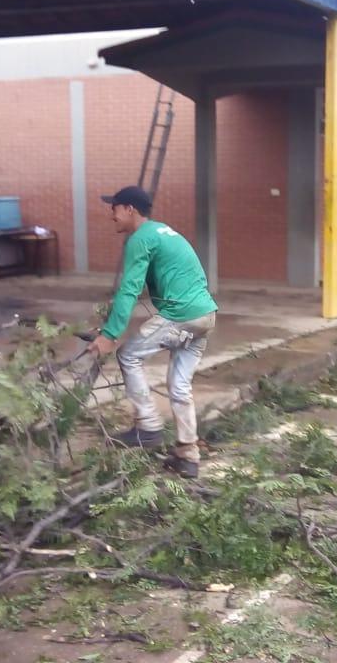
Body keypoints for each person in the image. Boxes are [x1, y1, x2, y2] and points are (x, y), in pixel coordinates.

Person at [89, 186, 217, 478]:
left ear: (130, 209)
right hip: (205, 315)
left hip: (181, 314)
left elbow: (130, 289)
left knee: (129, 355)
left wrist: (109, 337)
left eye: (115, 208)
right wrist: (109, 326)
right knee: (180, 386)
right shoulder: (161, 232)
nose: (112, 215)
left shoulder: (141, 239)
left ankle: (147, 426)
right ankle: (188, 456)